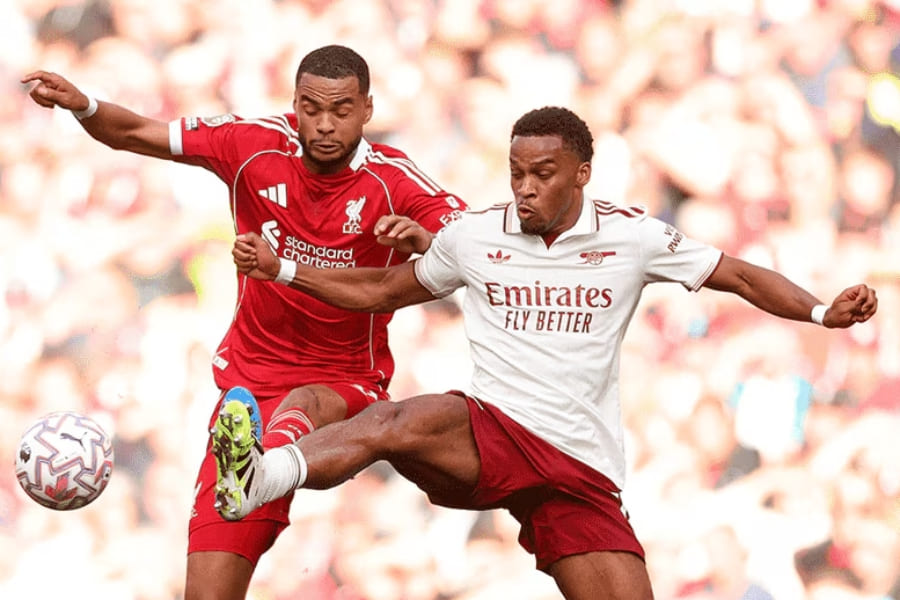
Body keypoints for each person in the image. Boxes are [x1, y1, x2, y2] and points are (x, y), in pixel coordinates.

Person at [218, 106, 878, 600]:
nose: (525, 188)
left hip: (577, 467)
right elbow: (382, 290)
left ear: (582, 174)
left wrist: (821, 312)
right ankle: (260, 479)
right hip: (492, 431)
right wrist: (284, 271)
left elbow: (740, 276)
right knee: (391, 421)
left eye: (542, 174)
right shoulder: (474, 235)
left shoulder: (632, 238)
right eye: (516, 173)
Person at [22, 44, 465, 600]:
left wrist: (429, 239)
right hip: (246, 400)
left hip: (344, 381)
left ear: (368, 109)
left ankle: (261, 469)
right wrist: (84, 105)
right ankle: (248, 472)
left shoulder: (392, 181)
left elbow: (468, 239)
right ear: (295, 104)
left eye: (342, 110)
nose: (325, 125)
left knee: (305, 402)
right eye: (312, 109)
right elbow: (136, 132)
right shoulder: (251, 146)